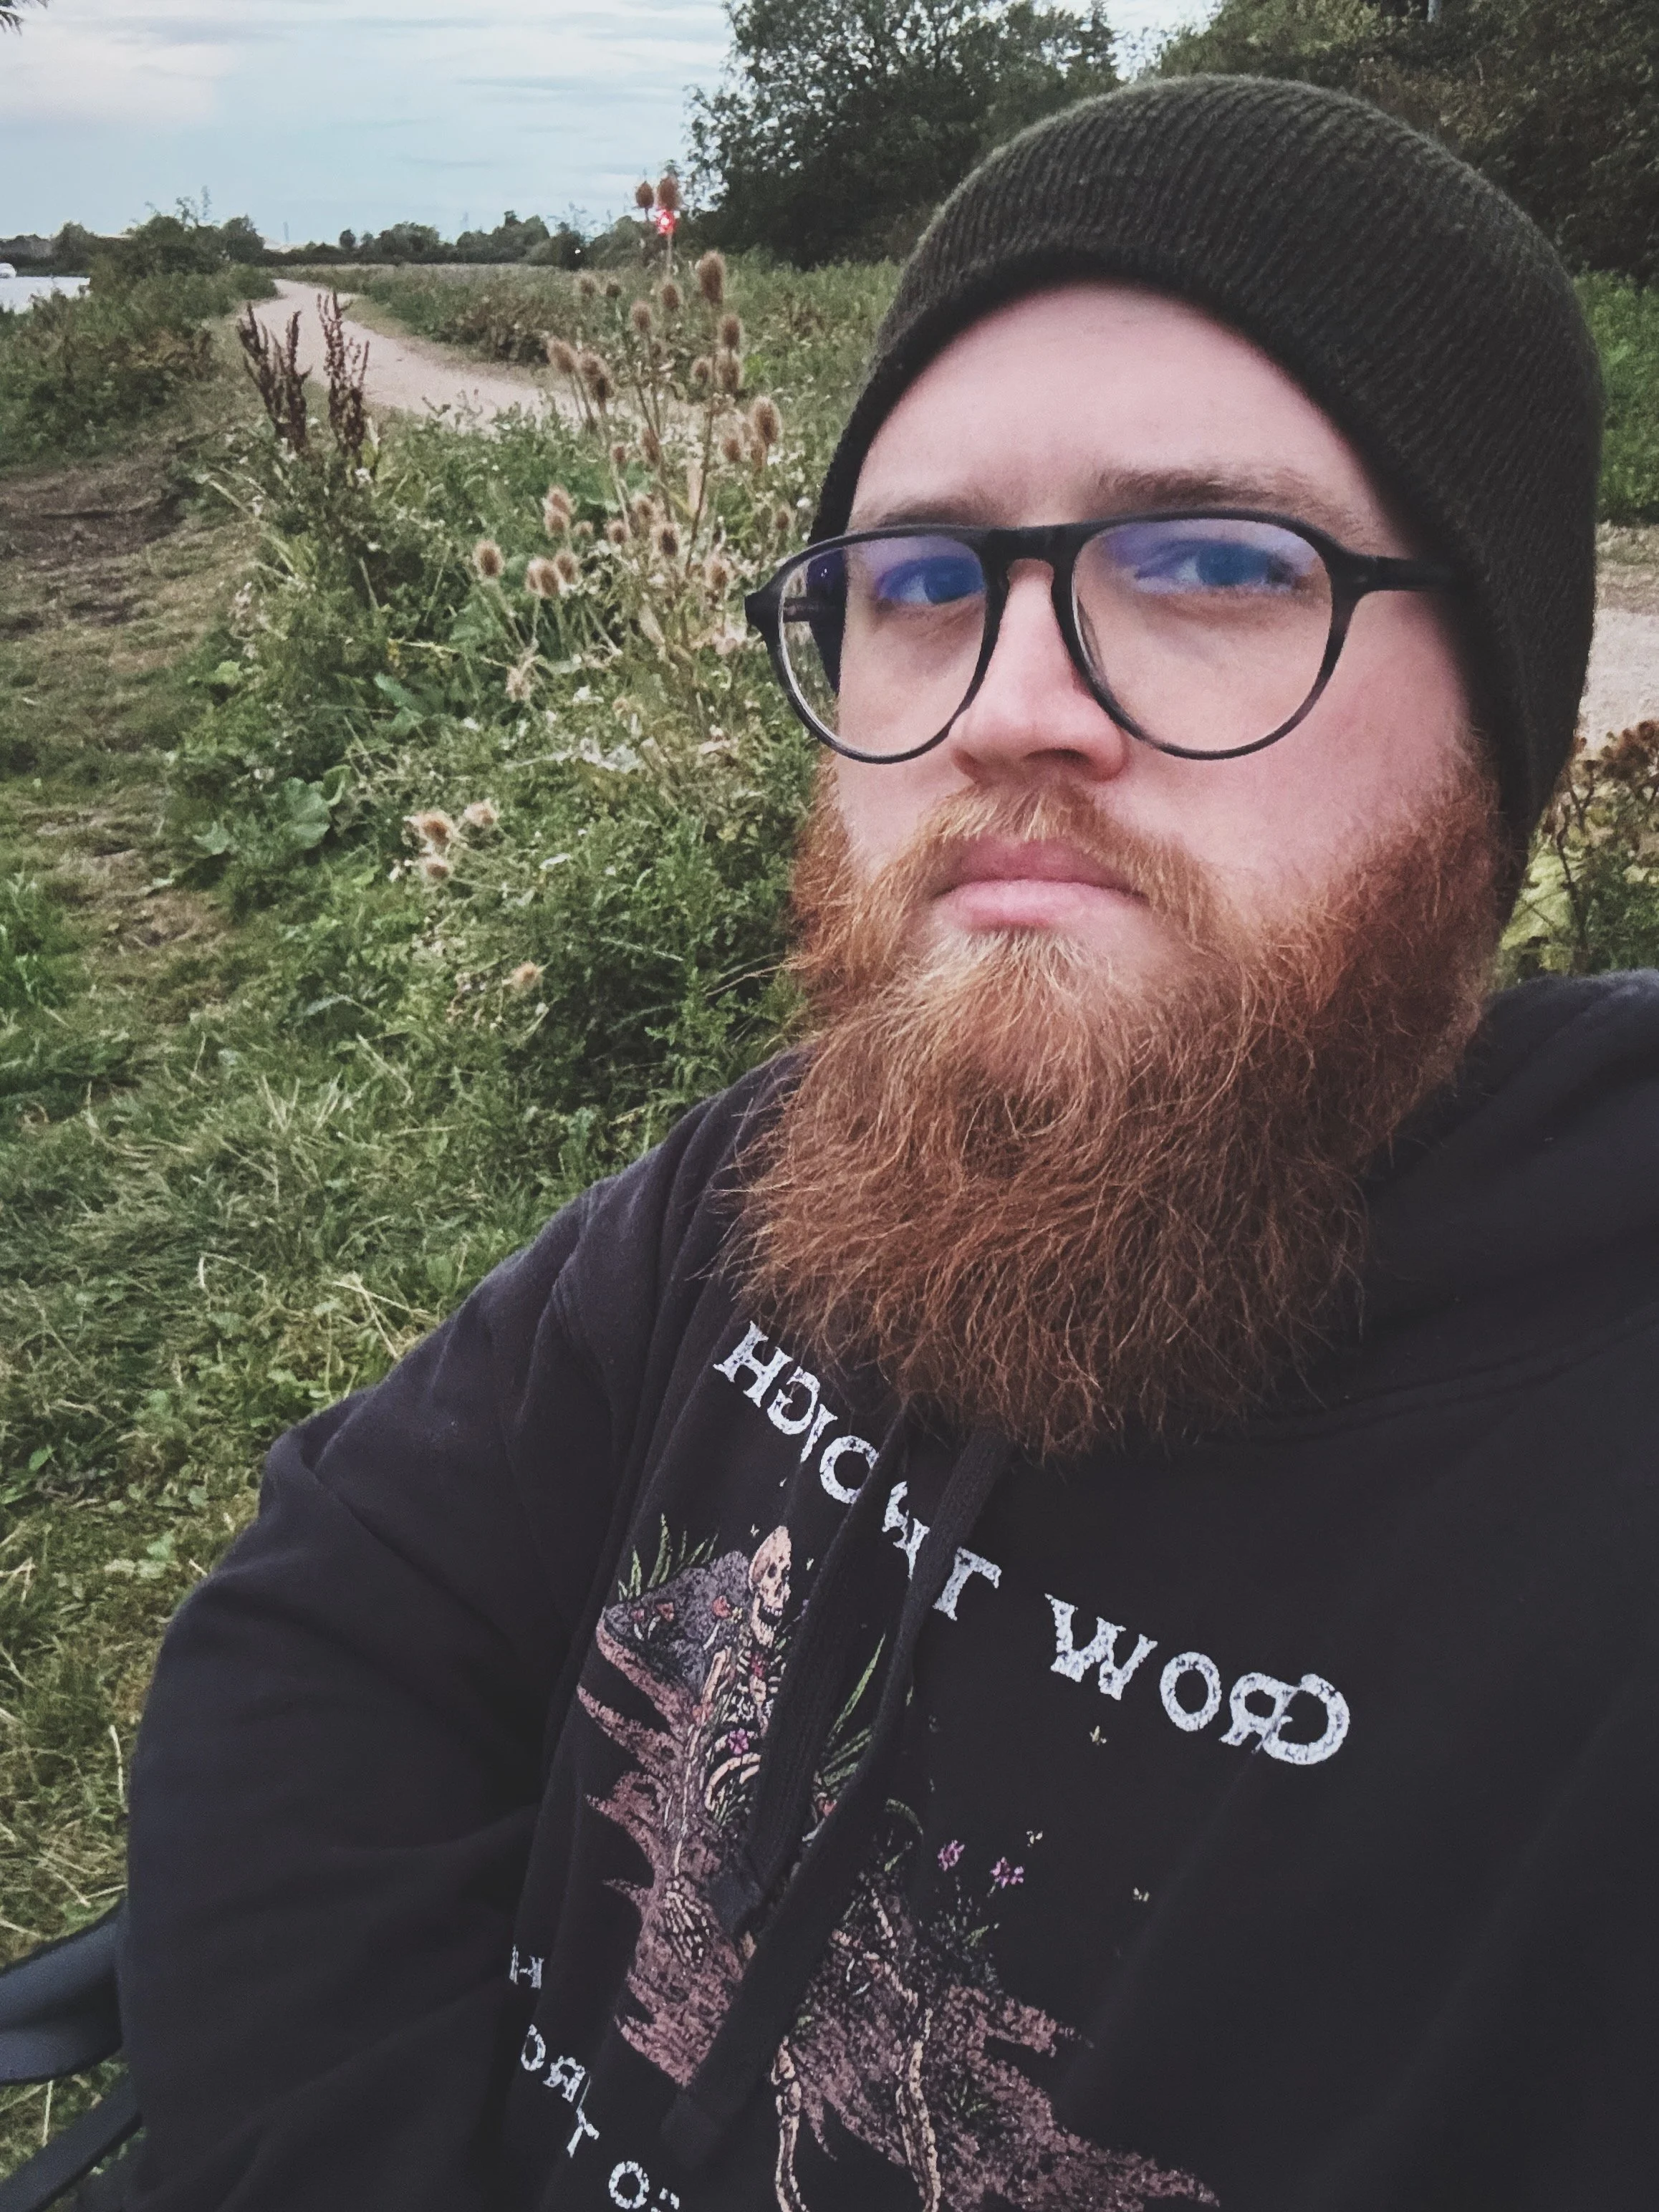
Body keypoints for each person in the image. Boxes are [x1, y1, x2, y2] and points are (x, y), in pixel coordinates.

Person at [119, 74, 1649, 2212]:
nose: (1008, 702)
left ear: (1506, 729)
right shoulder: (796, 1169)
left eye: (1210, 560)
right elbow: (340, 1617)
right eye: (919, 580)